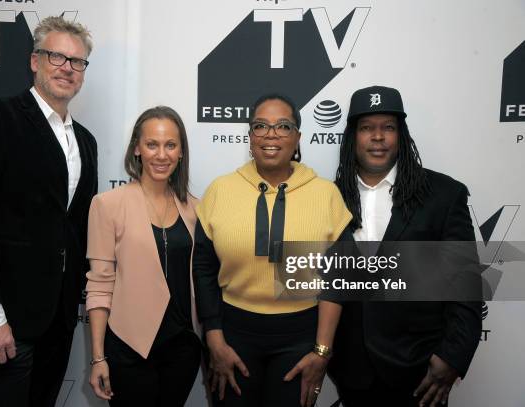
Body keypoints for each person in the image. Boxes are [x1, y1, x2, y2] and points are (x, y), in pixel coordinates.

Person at [0, 16, 97, 407]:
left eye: (77, 61)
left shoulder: (86, 141)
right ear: (34, 61)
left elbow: (73, 227)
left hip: (58, 319)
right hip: (5, 319)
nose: (67, 67)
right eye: (57, 56)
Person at [193, 94, 352, 407]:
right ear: (250, 136)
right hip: (232, 335)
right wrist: (213, 337)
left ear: (298, 137)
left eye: (283, 126)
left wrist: (322, 351)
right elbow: (204, 269)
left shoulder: (326, 195)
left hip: (301, 338)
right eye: (260, 126)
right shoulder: (220, 190)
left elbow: (338, 277)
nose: (271, 134)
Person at [330, 85, 482, 406]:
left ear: (401, 134)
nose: (378, 137)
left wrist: (452, 357)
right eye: (367, 128)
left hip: (420, 371)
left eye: (388, 127)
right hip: (350, 370)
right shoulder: (327, 197)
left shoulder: (443, 194)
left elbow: (465, 283)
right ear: (352, 137)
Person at [85, 106, 201, 406]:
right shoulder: (107, 205)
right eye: (152, 144)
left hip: (182, 350)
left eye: (170, 145)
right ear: (137, 148)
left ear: (181, 152)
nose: (161, 155)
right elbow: (99, 286)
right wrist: (98, 358)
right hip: (128, 349)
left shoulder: (196, 210)